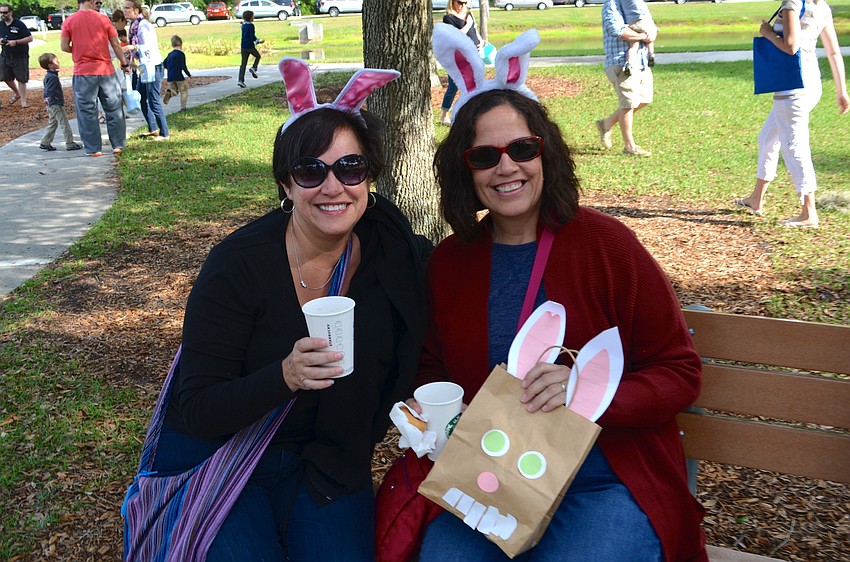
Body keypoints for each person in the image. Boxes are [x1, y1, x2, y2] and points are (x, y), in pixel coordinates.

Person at [411, 25, 707, 562]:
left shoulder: (607, 246)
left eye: (522, 148)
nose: (507, 167)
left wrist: (587, 393)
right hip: (491, 478)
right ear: (465, 169)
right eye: (484, 156)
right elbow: (433, 366)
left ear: (545, 154)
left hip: (604, 477)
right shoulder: (452, 261)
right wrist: (440, 411)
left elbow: (678, 372)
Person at [142, 58, 430, 560]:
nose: (333, 187)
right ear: (286, 184)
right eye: (310, 170)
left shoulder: (395, 253)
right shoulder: (239, 264)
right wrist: (286, 375)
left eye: (351, 167)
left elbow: (456, 299)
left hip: (326, 464)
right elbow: (197, 408)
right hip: (223, 455)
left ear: (370, 176)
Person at [732, 0, 849, 228]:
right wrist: (841, 91)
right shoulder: (822, 6)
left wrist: (767, 33)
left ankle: (809, 213)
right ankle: (756, 198)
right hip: (811, 84)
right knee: (767, 139)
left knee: (795, 147)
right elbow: (834, 52)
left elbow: (791, 46)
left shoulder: (792, 3)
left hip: (792, 87)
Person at [61, 0, 130, 157]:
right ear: (91, 1)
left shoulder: (70, 21)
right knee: (114, 108)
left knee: (87, 111)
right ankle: (118, 145)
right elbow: (115, 44)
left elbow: (64, 46)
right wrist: (124, 63)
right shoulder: (103, 19)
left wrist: (78, 49)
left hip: (83, 72)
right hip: (106, 71)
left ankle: (93, 149)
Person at [595, 0, 656, 157]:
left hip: (642, 62)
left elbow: (649, 23)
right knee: (628, 104)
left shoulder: (635, 3)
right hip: (622, 63)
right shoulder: (611, 4)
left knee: (644, 99)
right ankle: (629, 146)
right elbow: (617, 30)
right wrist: (643, 35)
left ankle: (606, 123)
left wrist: (652, 33)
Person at [124, 0, 170, 140]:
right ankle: (153, 128)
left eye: (127, 8)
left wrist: (131, 47)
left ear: (136, 10)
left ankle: (164, 133)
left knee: (153, 100)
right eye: (124, 8)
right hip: (144, 67)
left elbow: (148, 47)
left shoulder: (143, 25)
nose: (125, 10)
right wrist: (131, 62)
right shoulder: (134, 25)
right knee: (141, 97)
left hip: (153, 66)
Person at [439, 0, 482, 126]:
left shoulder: (469, 13)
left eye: (465, 2)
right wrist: (468, 24)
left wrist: (480, 41)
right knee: (453, 86)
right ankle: (444, 115)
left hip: (473, 54)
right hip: (457, 57)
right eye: (460, 2)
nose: (462, 5)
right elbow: (455, 36)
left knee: (474, 84)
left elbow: (474, 30)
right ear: (453, 2)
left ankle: (470, 113)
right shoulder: (448, 18)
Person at [38, 53, 83, 152]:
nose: (58, 62)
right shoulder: (53, 77)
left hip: (50, 104)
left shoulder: (49, 76)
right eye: (56, 61)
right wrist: (54, 99)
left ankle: (45, 142)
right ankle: (70, 143)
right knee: (64, 123)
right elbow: (50, 91)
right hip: (55, 104)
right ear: (50, 65)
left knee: (53, 123)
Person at [0, 4, 33, 108]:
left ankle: (23, 101)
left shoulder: (19, 24)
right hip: (5, 55)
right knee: (5, 77)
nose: (2, 14)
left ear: (11, 12)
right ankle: (17, 93)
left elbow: (30, 38)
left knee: (21, 78)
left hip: (20, 55)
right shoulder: (1, 24)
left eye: (5, 12)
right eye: (1, 12)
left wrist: (16, 42)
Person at [621, 0, 657, 76]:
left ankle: (629, 64)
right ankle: (651, 54)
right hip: (642, 19)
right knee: (649, 37)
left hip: (631, 22)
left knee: (633, 46)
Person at [163, 35, 191, 110]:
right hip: (178, 76)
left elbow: (164, 64)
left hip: (170, 76)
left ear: (172, 45)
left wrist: (170, 68)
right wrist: (188, 74)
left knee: (174, 91)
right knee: (183, 91)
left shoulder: (170, 54)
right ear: (181, 44)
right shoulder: (181, 54)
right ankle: (183, 107)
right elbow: (183, 66)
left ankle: (169, 93)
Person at [238, 10, 262, 88]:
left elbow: (243, 28)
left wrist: (242, 23)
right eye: (253, 16)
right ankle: (254, 68)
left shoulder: (244, 26)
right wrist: (257, 41)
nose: (253, 17)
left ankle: (240, 80)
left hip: (243, 46)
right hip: (250, 46)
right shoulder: (251, 26)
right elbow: (252, 36)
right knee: (258, 56)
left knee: (243, 64)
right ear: (251, 18)